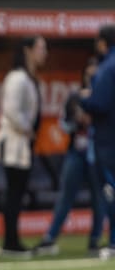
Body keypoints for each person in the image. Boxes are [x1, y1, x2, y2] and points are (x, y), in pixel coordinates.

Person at [34, 57, 106, 256]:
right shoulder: (75, 96)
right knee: (66, 195)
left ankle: (95, 240)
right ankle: (50, 238)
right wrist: (76, 120)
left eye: (95, 74)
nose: (91, 78)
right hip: (76, 152)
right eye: (88, 74)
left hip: (98, 153)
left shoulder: (105, 96)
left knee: (99, 198)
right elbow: (63, 124)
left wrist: (93, 121)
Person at [0, 35, 48, 258]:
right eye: (41, 48)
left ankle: (13, 240)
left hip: (23, 143)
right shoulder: (17, 77)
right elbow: (11, 110)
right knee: (13, 192)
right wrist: (28, 129)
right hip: (14, 142)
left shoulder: (29, 77)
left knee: (18, 192)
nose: (44, 53)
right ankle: (10, 242)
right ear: (28, 50)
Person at [81, 24, 115, 257]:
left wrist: (82, 99)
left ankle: (114, 242)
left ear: (103, 43)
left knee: (110, 190)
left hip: (108, 140)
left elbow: (99, 104)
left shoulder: (106, 68)